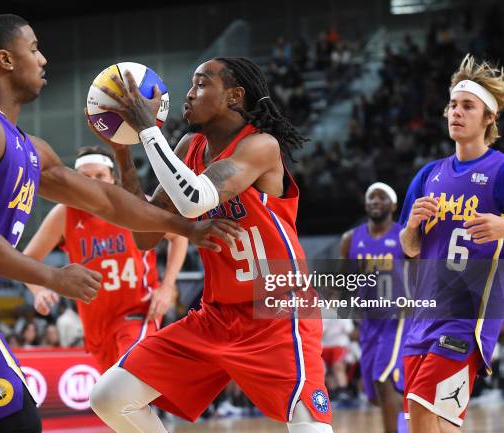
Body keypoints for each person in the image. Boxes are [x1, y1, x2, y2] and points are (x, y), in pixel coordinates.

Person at [0, 14, 238, 433]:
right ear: (5, 59)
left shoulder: (28, 147)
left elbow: (107, 200)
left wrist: (187, 228)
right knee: (16, 419)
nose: (43, 58)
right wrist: (52, 278)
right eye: (33, 48)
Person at [88, 57, 334, 433]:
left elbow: (196, 199)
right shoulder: (189, 146)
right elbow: (145, 235)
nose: (187, 94)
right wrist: (124, 152)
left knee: (310, 430)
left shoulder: (260, 145)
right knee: (110, 397)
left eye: (201, 84)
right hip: (216, 316)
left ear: (235, 96)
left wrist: (147, 131)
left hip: (279, 313)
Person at [399, 54, 504, 432]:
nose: (456, 113)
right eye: (452, 105)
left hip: (468, 317)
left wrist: (503, 225)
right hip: (424, 315)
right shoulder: (429, 175)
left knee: (420, 406)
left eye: (468, 106)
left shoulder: (500, 170)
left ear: (489, 118)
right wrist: (412, 226)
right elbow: (409, 247)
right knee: (433, 421)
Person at [23, 145, 188, 372]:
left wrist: (168, 286)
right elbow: (28, 258)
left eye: (100, 176)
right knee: (114, 403)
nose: (93, 183)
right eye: (85, 177)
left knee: (130, 377)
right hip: (96, 324)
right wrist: (38, 291)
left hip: (138, 311)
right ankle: (157, 408)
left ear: (112, 178)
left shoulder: (135, 205)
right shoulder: (64, 214)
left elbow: (179, 236)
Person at [340, 182, 409, 433]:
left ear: (393, 205)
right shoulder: (350, 239)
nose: (375, 201)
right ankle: (415, 419)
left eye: (381, 197)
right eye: (370, 197)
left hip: (397, 319)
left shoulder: (404, 236)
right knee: (373, 394)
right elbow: (343, 283)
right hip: (368, 321)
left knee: (384, 380)